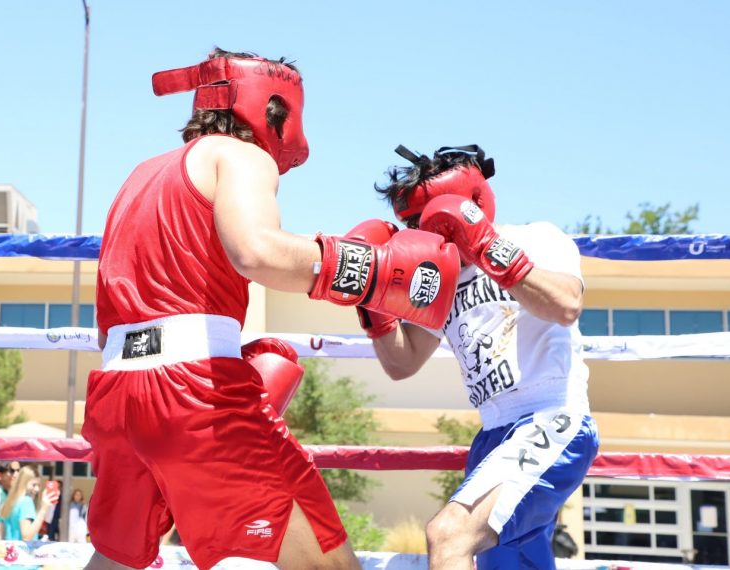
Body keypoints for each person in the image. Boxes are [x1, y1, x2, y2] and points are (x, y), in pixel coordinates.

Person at [83, 48, 460, 570]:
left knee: (115, 562)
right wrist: (372, 272)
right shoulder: (240, 156)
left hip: (115, 399)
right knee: (331, 568)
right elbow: (256, 251)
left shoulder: (141, 175)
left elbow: (119, 314)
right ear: (275, 110)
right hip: (193, 394)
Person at [365, 144, 599, 569]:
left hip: (551, 418)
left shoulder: (536, 238)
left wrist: (487, 246)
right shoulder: (438, 275)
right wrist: (371, 299)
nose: (428, 229)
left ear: (471, 202)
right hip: (492, 434)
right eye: (415, 222)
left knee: (449, 535)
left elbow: (566, 305)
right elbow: (403, 362)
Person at [0, 467, 59, 541]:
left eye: (39, 485)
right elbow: (27, 536)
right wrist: (44, 509)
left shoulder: (8, 502)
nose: (37, 489)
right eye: (34, 485)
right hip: (23, 548)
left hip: (9, 547)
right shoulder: (26, 501)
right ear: (23, 483)